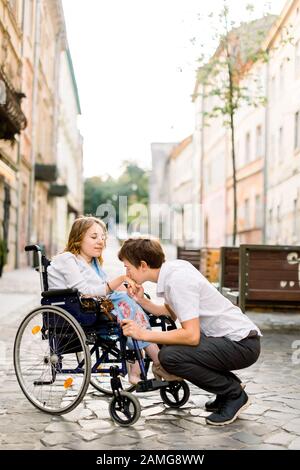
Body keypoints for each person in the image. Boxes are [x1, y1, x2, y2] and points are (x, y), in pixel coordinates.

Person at [118, 238, 262, 426]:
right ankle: (228, 389)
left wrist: (143, 334)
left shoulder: (178, 281)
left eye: (128, 267)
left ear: (143, 265)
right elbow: (171, 312)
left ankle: (234, 394)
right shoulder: (174, 270)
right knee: (168, 345)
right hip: (231, 339)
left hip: (241, 344)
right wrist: (142, 301)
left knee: (170, 357)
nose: (126, 272)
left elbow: (191, 336)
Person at [47, 216, 180, 384]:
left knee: (130, 301)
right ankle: (156, 361)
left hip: (94, 307)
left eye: (103, 237)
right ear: (78, 238)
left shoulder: (93, 263)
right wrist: (121, 279)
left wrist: (130, 288)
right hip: (73, 309)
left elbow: (104, 288)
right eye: (94, 237)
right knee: (126, 304)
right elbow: (86, 291)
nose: (100, 241)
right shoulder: (67, 259)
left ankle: (142, 365)